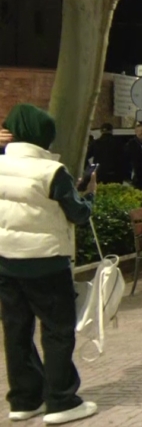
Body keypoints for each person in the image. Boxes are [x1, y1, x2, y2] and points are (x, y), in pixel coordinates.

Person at [0, 105, 100, 424]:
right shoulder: (51, 172)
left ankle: (24, 399)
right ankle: (61, 400)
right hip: (46, 262)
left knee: (16, 331)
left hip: (5, 261)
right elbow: (78, 213)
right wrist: (91, 196)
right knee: (57, 332)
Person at [125, 122, 142, 192]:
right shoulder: (130, 145)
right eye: (141, 131)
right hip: (135, 176)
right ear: (136, 132)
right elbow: (126, 160)